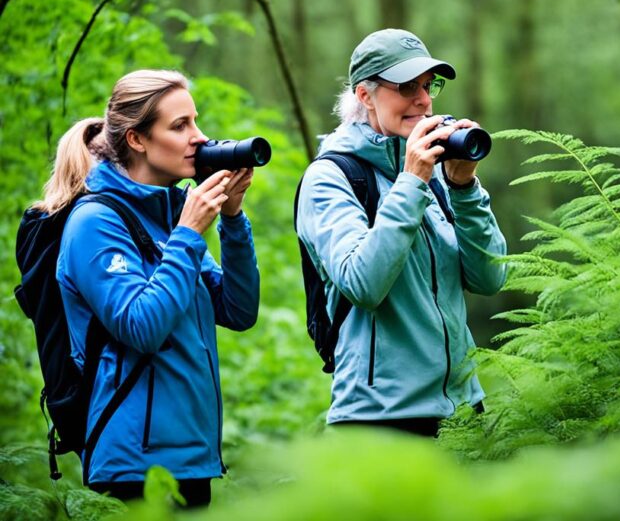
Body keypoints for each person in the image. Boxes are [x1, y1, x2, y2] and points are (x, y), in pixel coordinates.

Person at [47, 70, 260, 507]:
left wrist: (233, 220)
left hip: (192, 459)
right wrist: (189, 233)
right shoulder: (95, 223)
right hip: (132, 467)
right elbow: (142, 327)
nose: (198, 138)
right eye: (180, 126)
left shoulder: (172, 215)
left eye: (196, 122)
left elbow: (238, 311)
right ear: (137, 140)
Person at [296, 29, 507, 436]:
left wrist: (463, 189)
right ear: (364, 95)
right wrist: (411, 182)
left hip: (462, 411)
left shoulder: (434, 174)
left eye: (428, 86)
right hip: (379, 419)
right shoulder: (330, 178)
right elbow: (363, 283)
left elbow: (490, 277)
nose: (424, 100)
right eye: (406, 86)